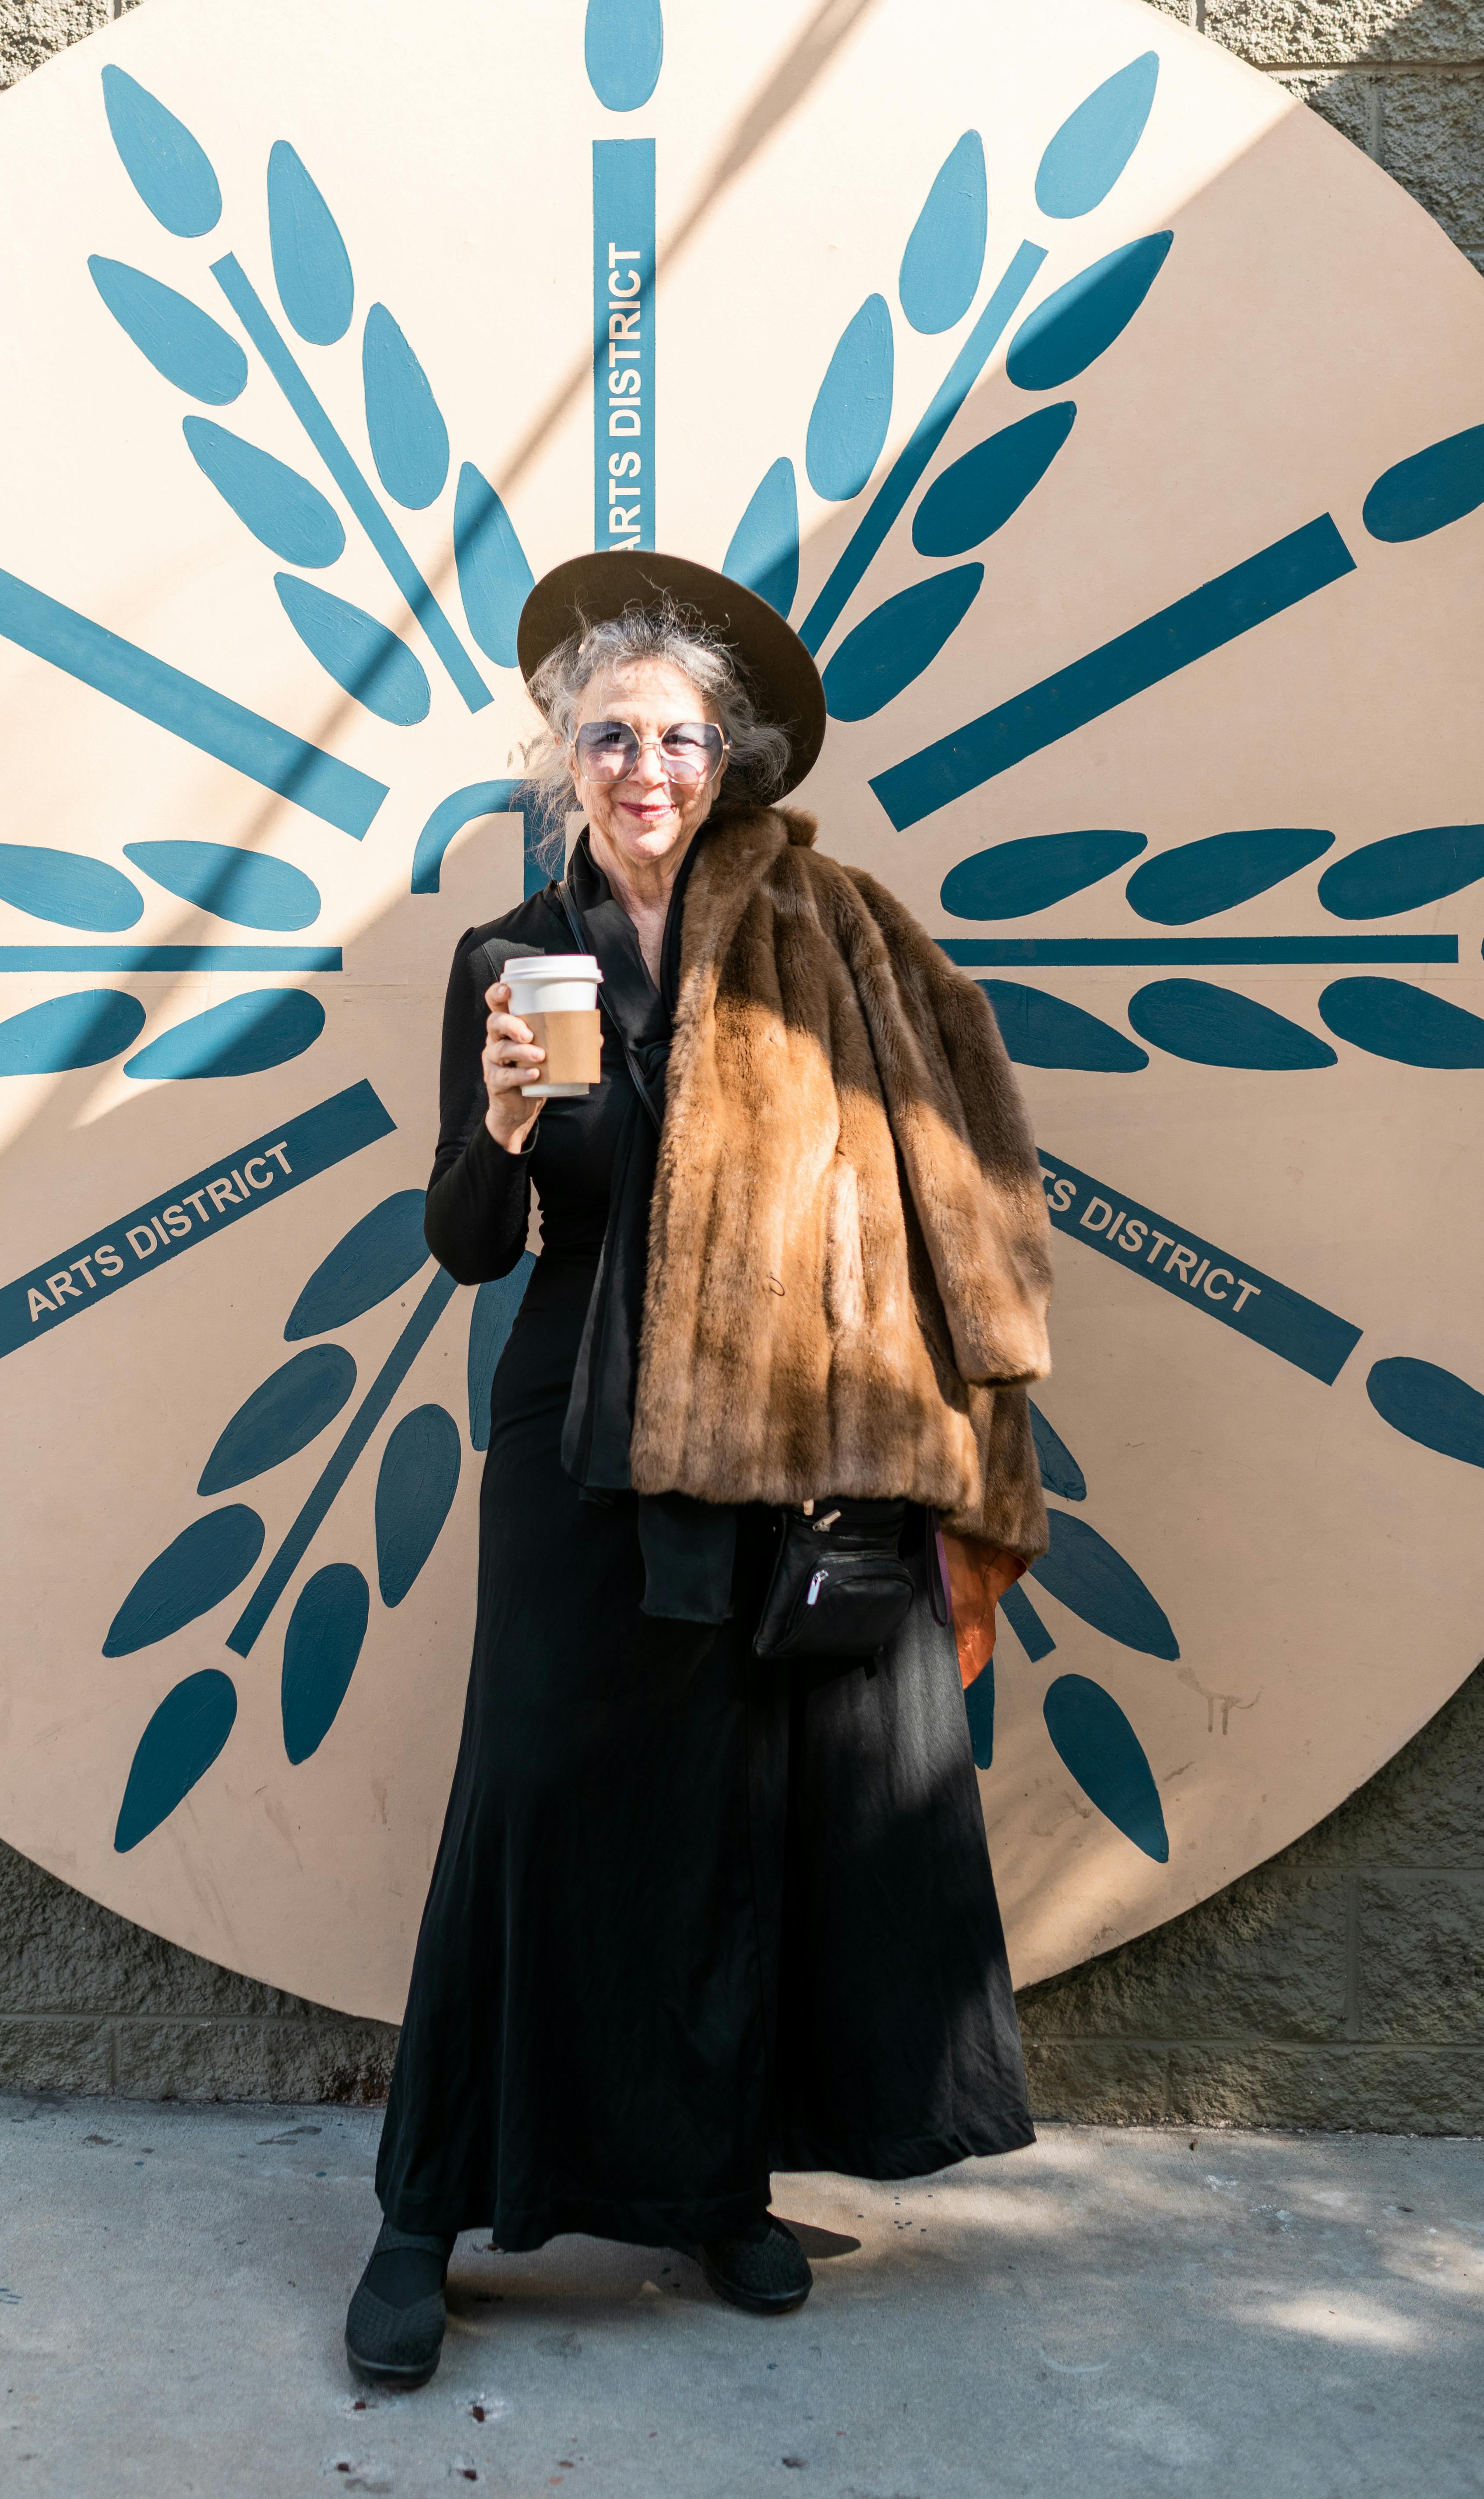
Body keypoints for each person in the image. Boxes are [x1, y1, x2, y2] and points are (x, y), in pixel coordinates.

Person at [345, 551, 1053, 2389]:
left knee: (748, 1814)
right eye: (608, 736)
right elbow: (471, 1245)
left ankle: (713, 2184)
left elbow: (941, 1185)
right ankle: (424, 2211)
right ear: (561, 760)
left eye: (676, 735)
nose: (643, 766)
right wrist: (498, 1128)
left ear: (728, 755)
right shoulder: (514, 957)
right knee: (530, 1799)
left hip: (788, 1443)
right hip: (577, 1430)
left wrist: (932, 1429)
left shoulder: (835, 942)